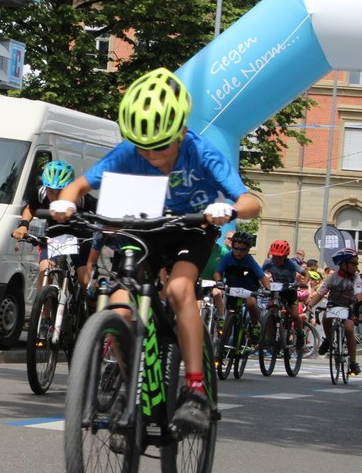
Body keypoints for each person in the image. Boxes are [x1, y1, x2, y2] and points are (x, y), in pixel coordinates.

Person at [52, 68, 261, 431]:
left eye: (161, 145)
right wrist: (65, 203)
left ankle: (196, 390)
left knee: (180, 289)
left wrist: (229, 209)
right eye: (143, 147)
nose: (151, 155)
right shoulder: (128, 153)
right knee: (121, 306)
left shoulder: (201, 151)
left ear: (180, 131)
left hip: (191, 229)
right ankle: (129, 380)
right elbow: (78, 186)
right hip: (145, 228)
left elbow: (250, 201)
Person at [12, 160, 94, 291]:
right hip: (54, 236)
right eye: (51, 192)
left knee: (84, 280)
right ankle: (43, 310)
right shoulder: (41, 193)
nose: (54, 197)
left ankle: (91, 308)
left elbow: (102, 216)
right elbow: (30, 208)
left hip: (80, 238)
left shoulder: (82, 199)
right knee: (45, 271)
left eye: (60, 192)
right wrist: (23, 225)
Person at [306, 248, 362, 375]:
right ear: (343, 265)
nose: (356, 267)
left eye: (356, 264)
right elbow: (321, 293)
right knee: (326, 317)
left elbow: (359, 295)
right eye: (353, 264)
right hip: (335, 305)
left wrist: (358, 312)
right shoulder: (333, 277)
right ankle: (329, 340)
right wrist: (310, 304)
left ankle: (353, 362)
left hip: (349, 307)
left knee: (348, 329)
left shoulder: (356, 278)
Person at [213, 231, 271, 338]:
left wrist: (267, 288)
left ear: (248, 250)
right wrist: (219, 281)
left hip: (249, 289)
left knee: (251, 304)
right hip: (232, 289)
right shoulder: (227, 257)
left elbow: (262, 277)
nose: (238, 252)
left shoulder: (250, 260)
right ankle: (223, 345)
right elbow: (218, 272)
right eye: (236, 248)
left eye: (242, 250)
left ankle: (255, 325)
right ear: (232, 246)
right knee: (229, 317)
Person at [261, 239, 309, 350]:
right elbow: (260, 273)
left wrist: (304, 282)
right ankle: (271, 337)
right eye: (274, 256)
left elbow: (305, 273)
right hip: (276, 288)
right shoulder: (268, 262)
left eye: (279, 257)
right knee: (270, 311)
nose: (276, 260)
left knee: (295, 315)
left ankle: (300, 333)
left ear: (285, 256)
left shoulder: (291, 264)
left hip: (289, 289)